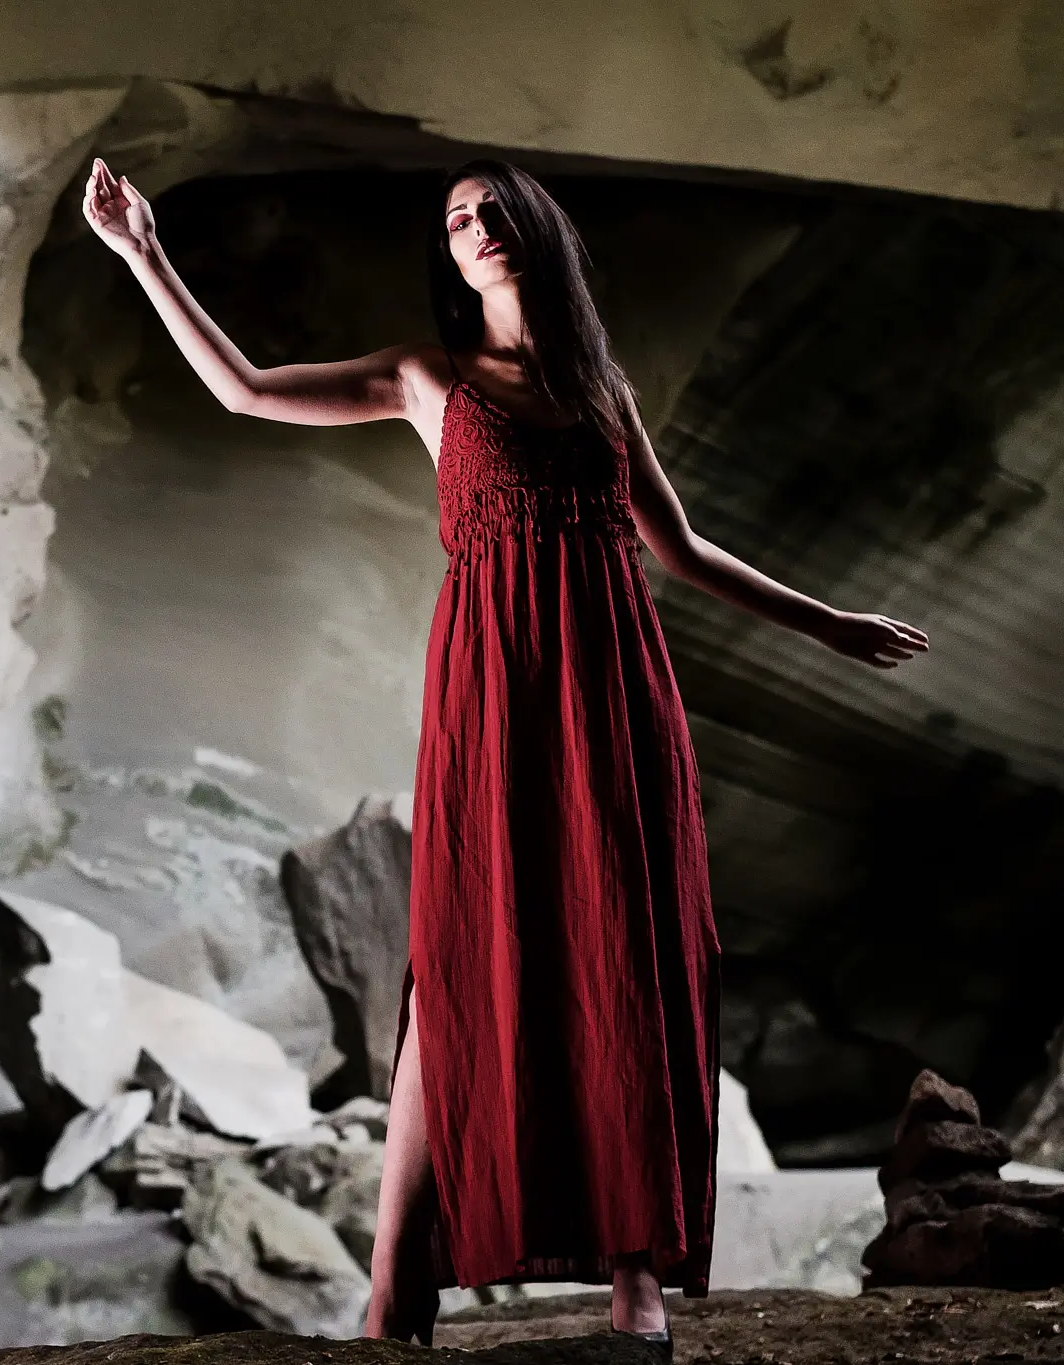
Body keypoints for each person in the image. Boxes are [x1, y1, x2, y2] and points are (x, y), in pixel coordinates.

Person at [79, 156, 928, 1349]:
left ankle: (636, 1280)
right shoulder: (429, 376)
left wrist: (825, 622)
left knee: (621, 956)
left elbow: (676, 551)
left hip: (617, 701)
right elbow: (246, 392)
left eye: (490, 212)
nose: (473, 229)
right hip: (492, 698)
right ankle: (395, 1287)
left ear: (534, 231)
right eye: (454, 220)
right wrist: (141, 253)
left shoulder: (597, 392)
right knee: (457, 967)